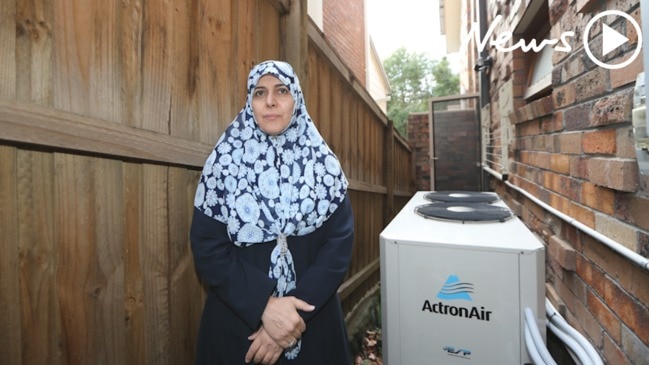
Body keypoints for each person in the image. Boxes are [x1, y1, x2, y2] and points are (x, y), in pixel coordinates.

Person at [191, 60, 354, 364]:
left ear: (296, 99)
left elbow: (339, 245)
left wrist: (291, 316)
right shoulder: (223, 163)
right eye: (259, 92)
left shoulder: (324, 165)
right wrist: (263, 306)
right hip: (238, 326)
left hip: (312, 320)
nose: (270, 101)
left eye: (281, 90)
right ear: (249, 102)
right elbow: (207, 246)